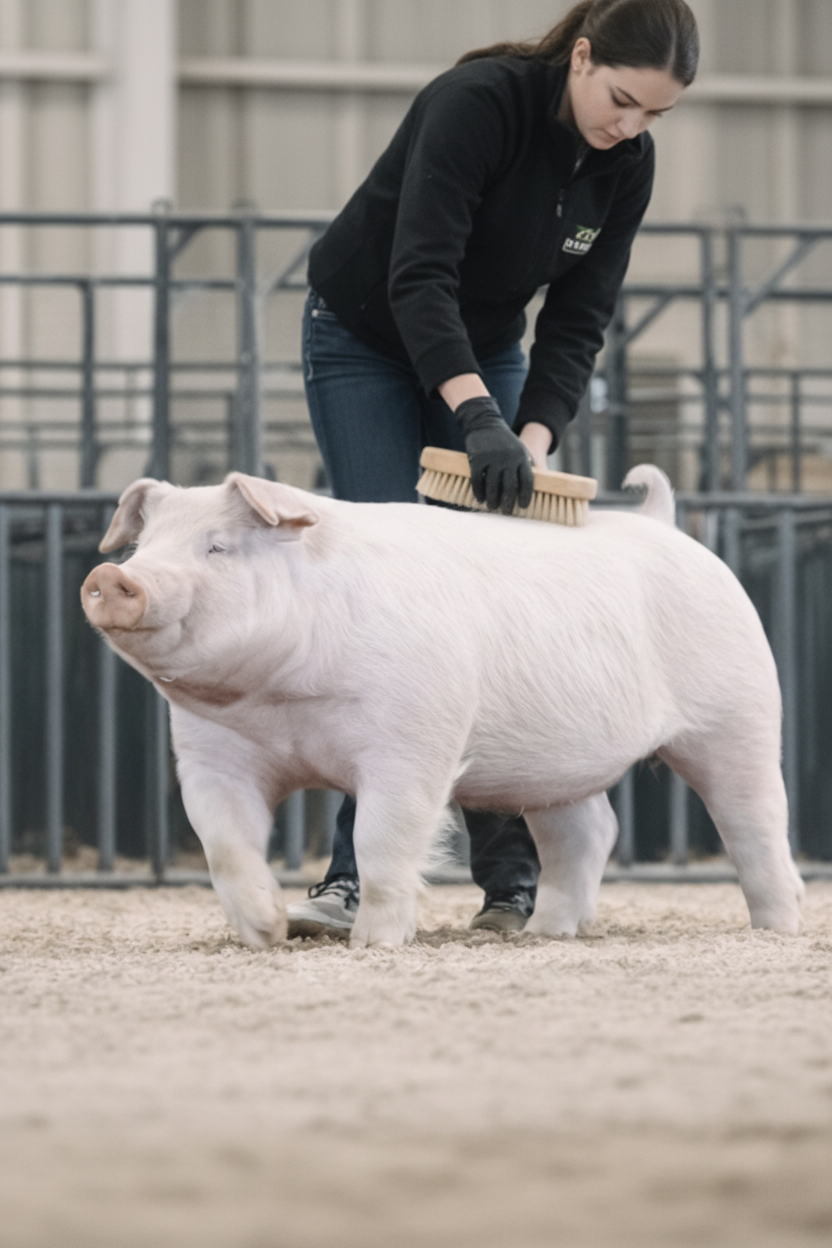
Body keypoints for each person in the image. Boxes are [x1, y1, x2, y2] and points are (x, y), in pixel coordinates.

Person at [288, 0, 699, 939]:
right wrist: (478, 418)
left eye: (654, 114)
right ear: (582, 57)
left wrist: (533, 440)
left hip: (485, 345)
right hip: (363, 335)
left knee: (495, 585)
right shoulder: (475, 103)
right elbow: (418, 273)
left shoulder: (626, 163)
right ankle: (355, 876)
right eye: (622, 100)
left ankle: (508, 877)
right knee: (388, 588)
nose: (631, 125)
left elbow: (579, 319)